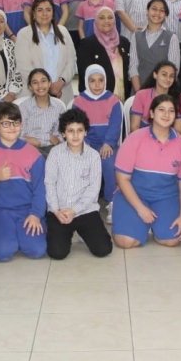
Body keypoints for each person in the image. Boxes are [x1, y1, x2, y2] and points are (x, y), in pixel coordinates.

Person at [113, 94, 181, 249]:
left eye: (171, 111)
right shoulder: (134, 139)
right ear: (152, 113)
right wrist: (140, 209)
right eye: (161, 110)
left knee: (172, 240)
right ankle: (138, 222)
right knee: (125, 242)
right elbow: (122, 179)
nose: (166, 114)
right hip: (135, 194)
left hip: (166, 196)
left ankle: (156, 225)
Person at [0, 101, 47, 261]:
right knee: (3, 253)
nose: (12, 127)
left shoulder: (34, 154)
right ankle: (0, 235)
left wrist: (36, 214)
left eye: (16, 123)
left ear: (21, 124)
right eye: (6, 123)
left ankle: (20, 234)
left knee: (37, 251)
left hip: (26, 210)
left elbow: (40, 190)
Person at [45, 108, 113, 260]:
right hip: (60, 211)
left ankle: (83, 232)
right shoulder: (55, 153)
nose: (75, 135)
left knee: (103, 249)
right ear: (63, 133)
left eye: (79, 130)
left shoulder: (93, 156)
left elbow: (93, 189)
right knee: (57, 253)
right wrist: (56, 210)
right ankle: (66, 232)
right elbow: (49, 183)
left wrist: (74, 210)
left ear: (85, 132)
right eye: (70, 131)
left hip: (84, 210)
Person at [73, 65, 123, 223]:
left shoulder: (113, 101)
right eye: (92, 81)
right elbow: (77, 125)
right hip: (86, 143)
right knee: (82, 163)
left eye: (101, 80)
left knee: (109, 164)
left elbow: (115, 126)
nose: (97, 84)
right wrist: (84, 142)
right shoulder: (79, 101)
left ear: (105, 81)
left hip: (108, 144)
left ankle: (112, 201)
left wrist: (108, 143)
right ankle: (84, 202)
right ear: (86, 82)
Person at [14, 0, 76, 104]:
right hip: (33, 94)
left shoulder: (63, 32)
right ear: (33, 14)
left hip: (62, 92)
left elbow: (71, 61)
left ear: (53, 13)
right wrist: (46, 87)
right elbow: (24, 67)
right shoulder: (24, 34)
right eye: (40, 10)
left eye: (48, 10)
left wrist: (60, 83)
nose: (44, 14)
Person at [76, 6, 130, 101]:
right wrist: (107, 97)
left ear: (115, 20)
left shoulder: (124, 42)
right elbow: (86, 76)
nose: (106, 21)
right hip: (98, 100)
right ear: (96, 21)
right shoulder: (87, 45)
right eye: (102, 18)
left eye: (110, 17)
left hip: (124, 99)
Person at [128, 0, 180, 94]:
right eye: (154, 9)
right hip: (139, 90)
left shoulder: (171, 37)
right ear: (147, 11)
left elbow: (174, 68)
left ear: (166, 15)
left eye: (162, 11)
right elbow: (133, 66)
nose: (157, 13)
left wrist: (161, 93)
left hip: (164, 93)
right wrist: (140, 93)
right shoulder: (136, 36)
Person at [19, 68, 65, 158]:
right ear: (30, 87)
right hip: (31, 148)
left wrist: (36, 139)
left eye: (43, 81)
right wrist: (49, 137)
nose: (40, 86)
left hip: (53, 149)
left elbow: (60, 137)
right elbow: (20, 136)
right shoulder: (24, 107)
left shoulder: (59, 107)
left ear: (49, 83)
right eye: (35, 82)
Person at [130, 60, 181, 134]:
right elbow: (134, 127)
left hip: (167, 139)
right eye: (164, 75)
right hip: (142, 137)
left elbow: (178, 130)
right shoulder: (141, 95)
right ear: (155, 75)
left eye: (171, 76)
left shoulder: (180, 98)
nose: (168, 79)